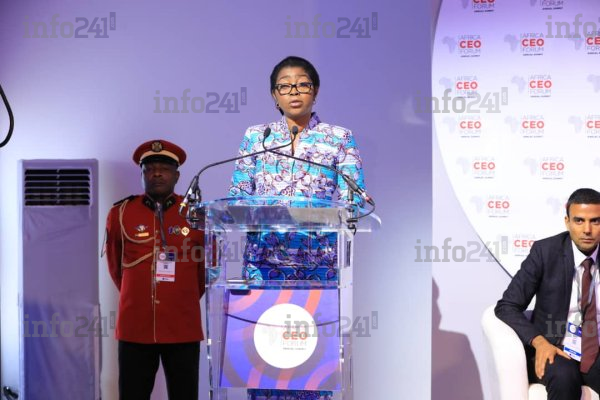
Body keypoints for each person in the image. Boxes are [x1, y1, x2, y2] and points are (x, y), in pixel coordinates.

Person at [229, 56, 366, 400]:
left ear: (315, 91)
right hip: (263, 267)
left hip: (316, 269)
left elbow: (354, 201)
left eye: (303, 84)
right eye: (285, 86)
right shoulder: (257, 137)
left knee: (311, 368)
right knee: (265, 366)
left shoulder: (339, 138)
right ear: (274, 95)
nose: (294, 91)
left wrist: (327, 213)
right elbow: (238, 196)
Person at [105, 139, 205, 400]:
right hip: (135, 326)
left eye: (164, 169)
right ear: (142, 175)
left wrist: (180, 298)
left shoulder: (196, 215)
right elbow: (116, 267)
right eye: (149, 169)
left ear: (177, 176)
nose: (157, 174)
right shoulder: (120, 213)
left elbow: (205, 271)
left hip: (182, 325)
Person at [495, 188, 600, 399]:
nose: (587, 230)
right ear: (567, 222)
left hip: (595, 350)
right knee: (564, 377)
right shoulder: (545, 252)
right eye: (579, 221)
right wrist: (539, 342)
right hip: (554, 346)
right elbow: (507, 306)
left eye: (595, 221)